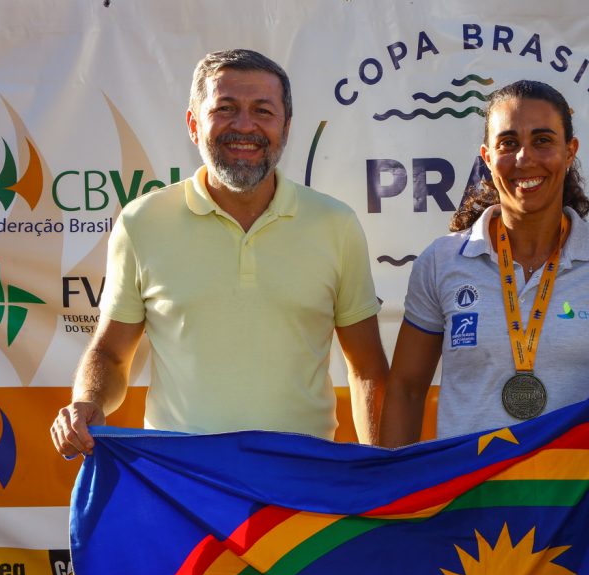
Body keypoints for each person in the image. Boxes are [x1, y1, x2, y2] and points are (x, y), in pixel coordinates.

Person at [50, 49, 388, 455]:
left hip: (302, 481)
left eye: (263, 111)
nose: (244, 126)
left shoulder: (336, 224)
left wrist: (380, 475)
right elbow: (110, 354)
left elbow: (367, 368)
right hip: (184, 484)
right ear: (194, 124)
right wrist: (88, 400)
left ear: (286, 126)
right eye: (225, 109)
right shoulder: (142, 223)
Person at [379, 80, 589, 447]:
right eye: (509, 143)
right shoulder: (441, 261)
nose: (524, 158)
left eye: (543, 140)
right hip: (467, 499)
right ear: (487, 157)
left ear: (570, 151)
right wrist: (394, 496)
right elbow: (405, 389)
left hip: (573, 500)